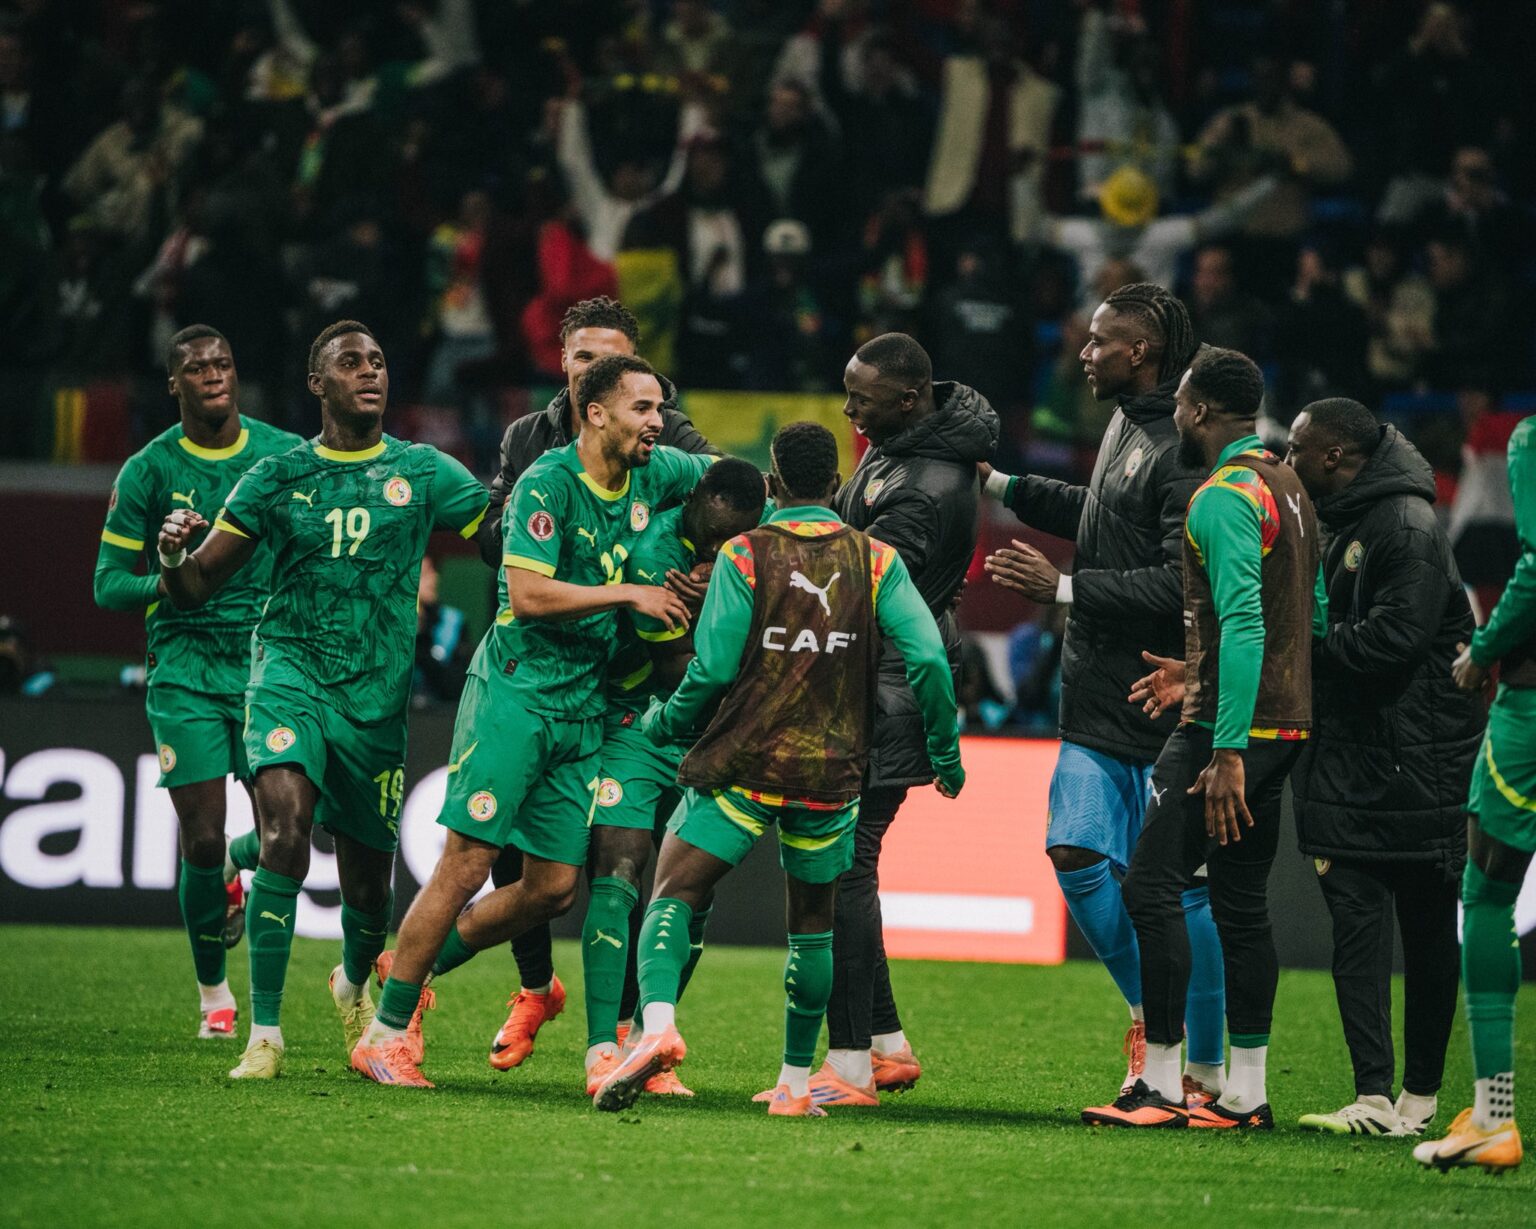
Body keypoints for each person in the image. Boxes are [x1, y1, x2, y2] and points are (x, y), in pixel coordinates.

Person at [350, 354, 712, 1088]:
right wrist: (629, 595)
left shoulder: (659, 470)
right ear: (595, 411)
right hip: (516, 693)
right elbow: (528, 594)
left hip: (582, 709)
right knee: (467, 862)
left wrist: (713, 554)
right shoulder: (546, 483)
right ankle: (385, 1031)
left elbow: (731, 490)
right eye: (642, 408)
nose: (657, 423)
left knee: (551, 887)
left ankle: (416, 962)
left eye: (659, 410)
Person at [592, 421, 965, 1116]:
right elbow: (930, 660)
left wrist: (665, 722)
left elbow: (710, 670)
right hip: (830, 773)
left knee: (673, 887)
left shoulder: (743, 555)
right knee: (813, 925)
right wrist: (944, 751)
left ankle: (658, 1026)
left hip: (743, 762)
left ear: (770, 484)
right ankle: (795, 1084)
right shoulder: (876, 560)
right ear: (835, 486)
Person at [155, 320, 490, 1080]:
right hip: (289, 677)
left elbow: (500, 534)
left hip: (374, 703)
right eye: (350, 361)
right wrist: (173, 551)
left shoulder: (425, 469)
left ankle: (351, 979)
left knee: (369, 891)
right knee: (286, 837)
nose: (370, 371)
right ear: (318, 383)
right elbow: (196, 584)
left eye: (377, 359)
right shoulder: (277, 477)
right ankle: (264, 1033)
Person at [982, 284, 1226, 1105]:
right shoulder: (1125, 421)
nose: (1083, 353)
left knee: (1183, 884)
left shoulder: (1186, 447)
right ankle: (1147, 1012)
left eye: (1099, 341)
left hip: (1164, 695)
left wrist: (1064, 588)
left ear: (1142, 351)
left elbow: (1178, 578)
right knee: (1076, 853)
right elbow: (1104, 512)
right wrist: (1004, 486)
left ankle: (1206, 1067)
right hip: (1094, 692)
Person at [1085, 347, 1324, 1129]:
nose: (1177, 415)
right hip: (1283, 719)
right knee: (1241, 903)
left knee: (1149, 886)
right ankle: (1245, 1094)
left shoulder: (1221, 496)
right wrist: (1196, 670)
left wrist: (1225, 747)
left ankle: (1158, 1082)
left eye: (1183, 403)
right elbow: (1306, 616)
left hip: (1232, 730)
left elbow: (1251, 621)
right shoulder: (1289, 486)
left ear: (1200, 411)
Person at [475, 296, 715, 1073]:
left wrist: (702, 560)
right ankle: (536, 985)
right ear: (565, 362)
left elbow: (725, 502)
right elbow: (487, 536)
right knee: (515, 855)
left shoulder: (662, 431)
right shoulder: (530, 440)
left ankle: (631, 1031)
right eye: (578, 357)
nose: (587, 371)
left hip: (631, 678)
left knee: (624, 854)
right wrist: (523, 517)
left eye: (604, 359)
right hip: (535, 662)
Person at [94, 325, 301, 1041]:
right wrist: (173, 571)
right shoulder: (149, 471)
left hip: (267, 665)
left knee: (291, 828)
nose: (213, 374)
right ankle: (215, 991)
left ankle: (238, 876)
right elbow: (107, 585)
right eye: (196, 367)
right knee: (202, 839)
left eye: (223, 362)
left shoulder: (281, 454)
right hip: (183, 670)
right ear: (173, 385)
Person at [1284, 399, 1481, 1137]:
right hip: (1355, 764)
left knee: (1429, 932)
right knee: (1358, 935)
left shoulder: (1405, 528)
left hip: (1417, 765)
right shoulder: (1348, 524)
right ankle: (1373, 1097)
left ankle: (1419, 1097)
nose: (1289, 458)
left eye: (1299, 448)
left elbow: (1390, 645)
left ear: (1334, 457)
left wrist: (1294, 644)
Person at [816, 332, 996, 1104]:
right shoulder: (897, 445)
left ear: (910, 396)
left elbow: (858, 586)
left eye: (861, 395)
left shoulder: (923, 484)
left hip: (887, 686)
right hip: (877, 680)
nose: (849, 406)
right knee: (846, 863)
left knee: (840, 865)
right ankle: (883, 1044)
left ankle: (852, 1062)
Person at [581, 457, 767, 1097]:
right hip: (638, 724)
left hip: (711, 741)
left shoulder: (749, 548)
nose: (719, 549)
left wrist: (721, 592)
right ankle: (602, 1049)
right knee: (619, 874)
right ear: (699, 499)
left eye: (732, 541)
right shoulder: (654, 544)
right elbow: (674, 667)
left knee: (692, 897)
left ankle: (646, 1044)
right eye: (713, 536)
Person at [1414, 413, 1535, 1173]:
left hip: (1528, 715)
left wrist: (1483, 650)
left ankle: (1495, 1117)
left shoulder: (1529, 441)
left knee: (1486, 898)